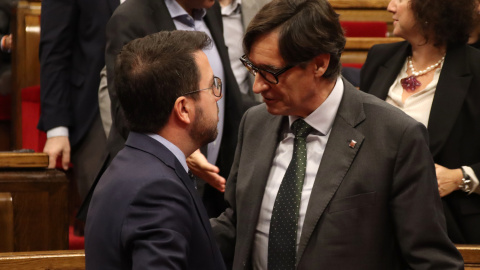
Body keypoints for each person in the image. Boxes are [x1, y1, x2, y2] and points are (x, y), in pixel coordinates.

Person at [211, 0, 463, 269]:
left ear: (319, 65)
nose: (258, 86)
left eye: (271, 73)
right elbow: (239, 223)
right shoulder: (255, 122)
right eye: (253, 69)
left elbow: (432, 261)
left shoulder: (396, 137)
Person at [85, 30, 226, 269]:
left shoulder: (130, 163)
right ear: (183, 109)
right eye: (212, 85)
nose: (217, 96)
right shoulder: (158, 190)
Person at [97, 0, 245, 219]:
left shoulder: (210, 10)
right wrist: (180, 151)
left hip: (213, 186)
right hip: (159, 182)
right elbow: (126, 111)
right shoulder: (130, 17)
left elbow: (229, 98)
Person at [360, 0, 480, 244]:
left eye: (400, 0)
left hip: (447, 226)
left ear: (432, 7)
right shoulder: (379, 57)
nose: (390, 7)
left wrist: (461, 177)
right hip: (370, 219)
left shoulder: (476, 69)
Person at [38, 0, 122, 202]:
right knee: (106, 208)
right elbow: (54, 52)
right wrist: (57, 128)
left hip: (153, 102)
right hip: (92, 108)